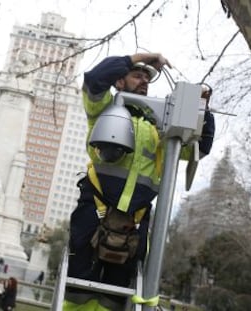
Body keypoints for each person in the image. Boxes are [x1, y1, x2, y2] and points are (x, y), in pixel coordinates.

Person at [64, 53, 215, 310]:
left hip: (135, 220)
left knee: (117, 295)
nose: (144, 81)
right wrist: (141, 58)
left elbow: (200, 147)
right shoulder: (104, 110)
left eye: (147, 78)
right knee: (79, 287)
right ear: (120, 82)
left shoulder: (162, 128)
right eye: (137, 75)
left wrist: (203, 109)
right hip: (96, 208)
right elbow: (94, 79)